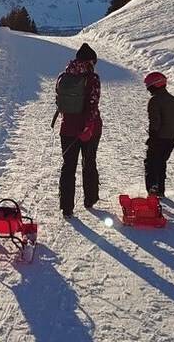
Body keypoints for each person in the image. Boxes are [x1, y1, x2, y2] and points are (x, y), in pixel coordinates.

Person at [55, 43, 102, 218]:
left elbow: (58, 101)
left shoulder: (63, 76)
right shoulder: (93, 78)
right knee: (89, 162)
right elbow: (93, 104)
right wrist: (89, 126)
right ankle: (90, 199)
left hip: (67, 129)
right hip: (89, 130)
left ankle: (67, 207)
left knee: (68, 166)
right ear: (90, 61)